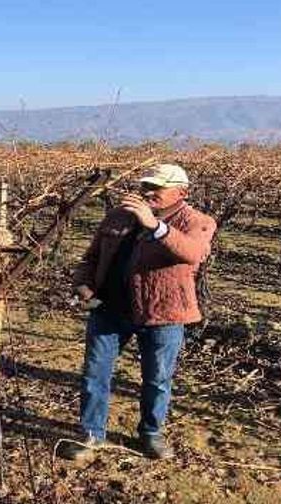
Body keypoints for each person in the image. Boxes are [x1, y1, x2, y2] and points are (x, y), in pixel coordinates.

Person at [61, 163, 216, 462]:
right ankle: (92, 434)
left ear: (181, 192)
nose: (148, 192)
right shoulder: (118, 216)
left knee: (157, 378)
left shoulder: (197, 221)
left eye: (157, 187)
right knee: (95, 374)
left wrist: (156, 227)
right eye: (146, 185)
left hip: (163, 314)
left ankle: (150, 433)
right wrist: (83, 285)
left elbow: (193, 252)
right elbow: (91, 257)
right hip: (109, 310)